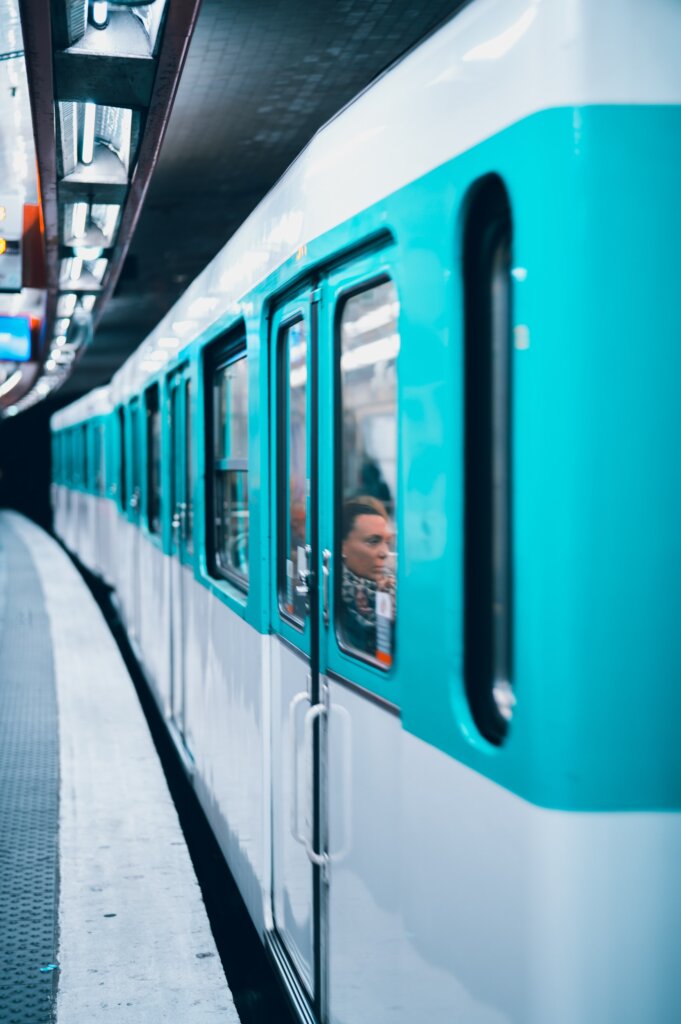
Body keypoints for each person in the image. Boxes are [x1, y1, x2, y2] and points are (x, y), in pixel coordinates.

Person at [340, 495, 396, 659]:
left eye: (387, 543)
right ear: (342, 546)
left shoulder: (391, 591)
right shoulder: (331, 597)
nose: (384, 552)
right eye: (373, 541)